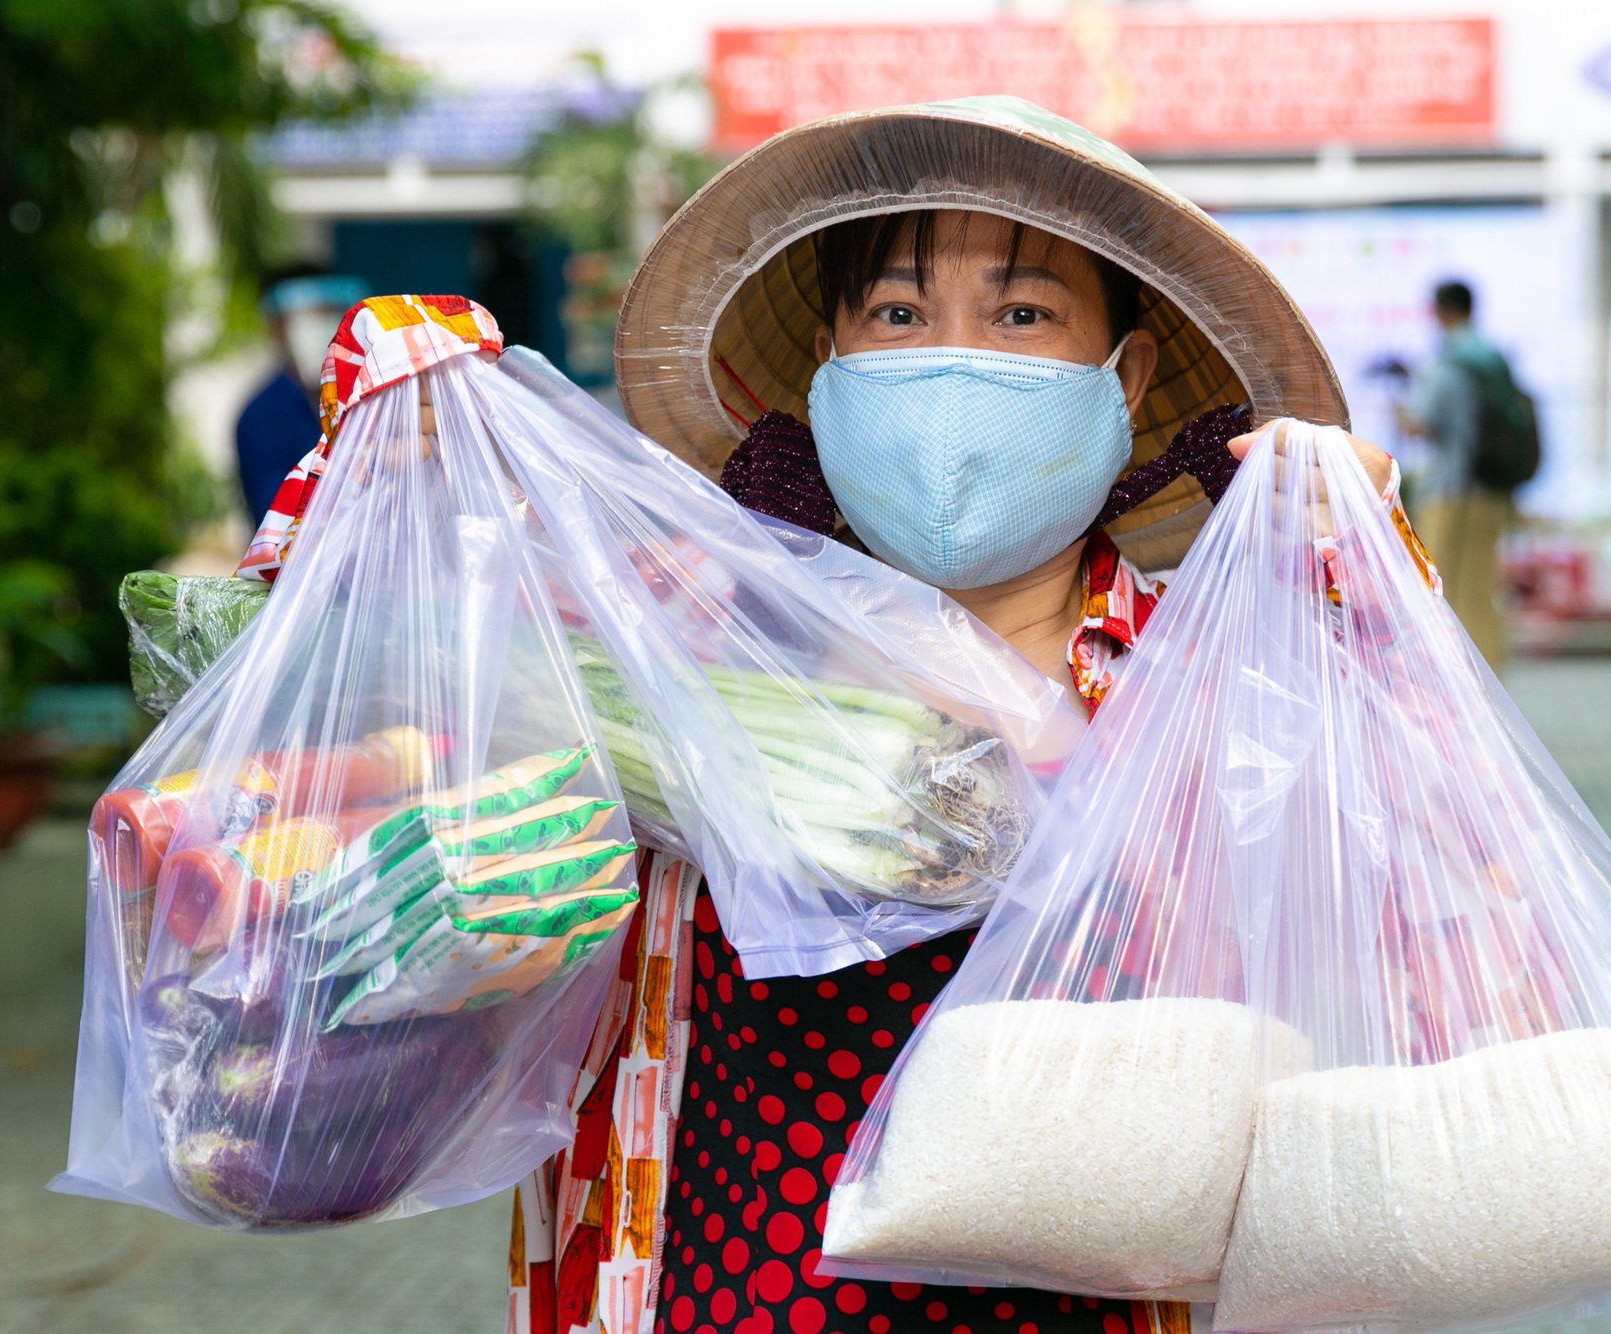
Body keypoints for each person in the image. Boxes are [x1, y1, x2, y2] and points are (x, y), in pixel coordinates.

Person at [500, 98, 1438, 1334]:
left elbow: (1412, 865)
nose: (951, 359)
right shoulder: (691, 648)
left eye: (1022, 314)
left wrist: (1358, 572)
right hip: (734, 1291)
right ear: (827, 369)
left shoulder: (1210, 670)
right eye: (897, 313)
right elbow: (481, 894)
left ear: (1128, 374)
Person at [1398, 280, 1517, 671]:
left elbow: (1420, 425)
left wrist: (1398, 397)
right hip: (1493, 490)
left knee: (1440, 589)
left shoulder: (1449, 363)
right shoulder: (1493, 360)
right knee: (1483, 591)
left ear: (1440, 311)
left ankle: (1452, 679)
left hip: (1450, 493)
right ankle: (1490, 678)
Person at [235, 271, 369, 528]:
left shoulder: (367, 396)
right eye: (309, 317)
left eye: (329, 312)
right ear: (276, 328)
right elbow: (276, 517)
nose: (323, 327)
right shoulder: (261, 416)